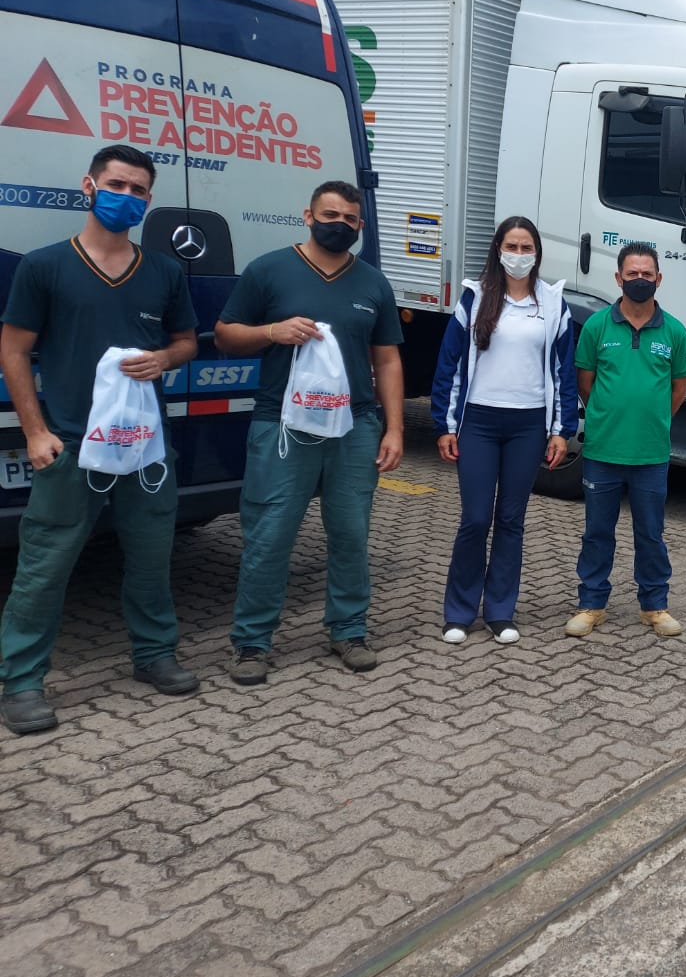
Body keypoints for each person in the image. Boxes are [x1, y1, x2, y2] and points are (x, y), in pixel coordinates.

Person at [0, 144, 200, 735]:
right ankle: (23, 679)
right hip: (69, 444)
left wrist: (166, 357)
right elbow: (13, 350)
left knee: (150, 556)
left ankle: (154, 654)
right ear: (88, 187)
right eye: (117, 185)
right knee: (46, 563)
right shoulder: (45, 266)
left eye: (139, 190)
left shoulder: (163, 270)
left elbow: (187, 343)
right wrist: (34, 432)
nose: (128, 197)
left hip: (143, 449)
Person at [215, 181, 404, 685]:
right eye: (329, 214)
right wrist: (270, 332)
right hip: (283, 425)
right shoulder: (268, 270)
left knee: (350, 534)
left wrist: (395, 428)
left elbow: (386, 359)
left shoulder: (372, 283)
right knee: (269, 534)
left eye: (349, 218)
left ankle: (348, 629)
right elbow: (225, 334)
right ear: (308, 215)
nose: (338, 223)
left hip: (355, 425)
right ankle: (252, 643)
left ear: (360, 226)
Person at [431, 216, 578, 645]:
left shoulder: (552, 304)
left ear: (536, 253)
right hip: (478, 422)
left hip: (527, 425)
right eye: (511, 246)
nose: (518, 255)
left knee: (511, 520)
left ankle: (500, 612)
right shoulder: (474, 299)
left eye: (525, 247)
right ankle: (459, 612)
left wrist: (561, 429)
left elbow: (562, 371)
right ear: (498, 249)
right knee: (475, 519)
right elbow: (449, 364)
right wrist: (445, 423)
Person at [565, 243, 686, 638]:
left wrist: (651, 421)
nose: (640, 280)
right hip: (604, 451)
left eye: (647, 273)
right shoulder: (597, 327)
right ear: (618, 278)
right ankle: (592, 604)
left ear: (659, 278)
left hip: (650, 454)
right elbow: (585, 383)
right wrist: (609, 417)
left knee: (650, 533)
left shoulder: (673, 331)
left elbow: (679, 388)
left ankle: (654, 607)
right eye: (632, 274)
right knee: (596, 532)